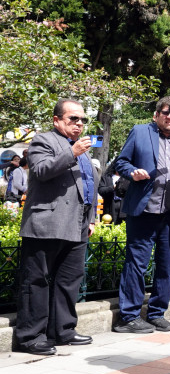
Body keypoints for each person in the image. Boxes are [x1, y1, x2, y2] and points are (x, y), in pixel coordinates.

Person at [15, 98, 98, 354]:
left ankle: (63, 330)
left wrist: (91, 218)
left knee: (69, 279)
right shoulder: (43, 141)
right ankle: (31, 336)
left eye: (82, 119)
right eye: (73, 118)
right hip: (47, 222)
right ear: (57, 120)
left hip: (78, 223)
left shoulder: (81, 148)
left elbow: (89, 184)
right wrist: (72, 153)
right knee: (37, 280)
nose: (79, 124)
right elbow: (40, 170)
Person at [113, 97, 170, 334]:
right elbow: (121, 162)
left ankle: (157, 313)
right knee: (136, 263)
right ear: (157, 115)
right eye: (165, 113)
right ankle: (128, 316)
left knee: (167, 265)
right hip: (144, 211)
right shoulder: (141, 132)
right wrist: (133, 172)